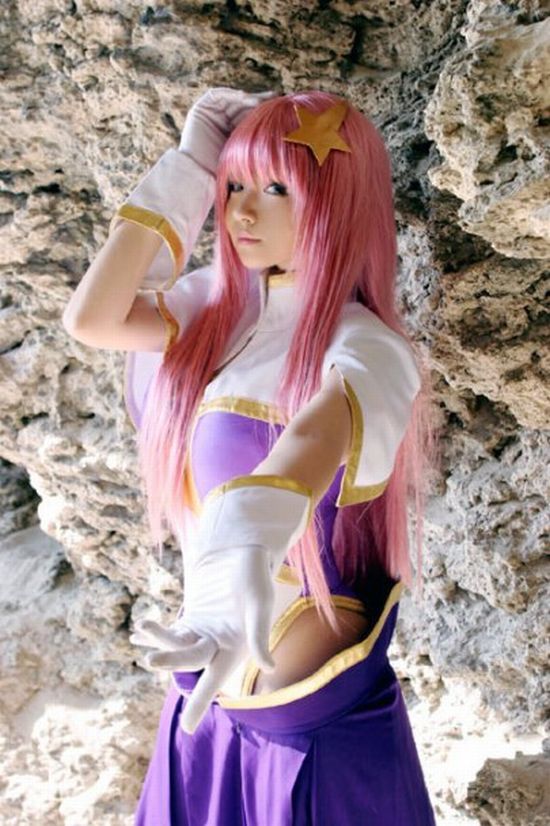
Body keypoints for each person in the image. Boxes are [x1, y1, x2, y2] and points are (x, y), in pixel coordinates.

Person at [63, 87, 438, 825]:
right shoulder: (214, 310)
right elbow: (93, 317)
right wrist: (189, 166)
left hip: (306, 707)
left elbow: (314, 437)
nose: (242, 212)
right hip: (207, 671)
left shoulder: (368, 345)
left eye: (277, 189)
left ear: (336, 201)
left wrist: (247, 540)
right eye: (235, 186)